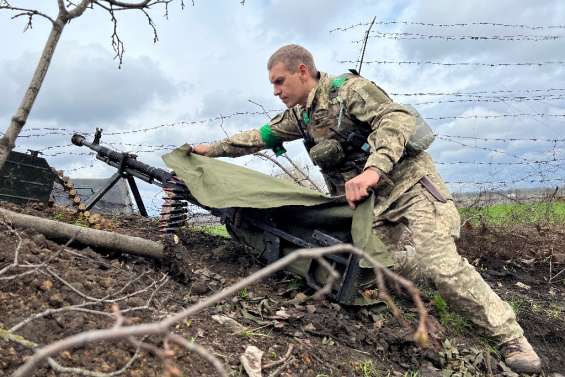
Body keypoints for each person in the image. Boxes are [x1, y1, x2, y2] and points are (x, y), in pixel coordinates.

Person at [190, 44, 541, 374]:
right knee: (365, 267)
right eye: (272, 85)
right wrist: (209, 151)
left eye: (279, 82)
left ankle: (512, 339)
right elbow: (258, 137)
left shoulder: (348, 91)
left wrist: (374, 169)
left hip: (411, 187)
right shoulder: (300, 117)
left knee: (441, 265)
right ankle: (419, 268)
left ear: (302, 71)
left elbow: (397, 119)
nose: (276, 91)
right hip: (373, 205)